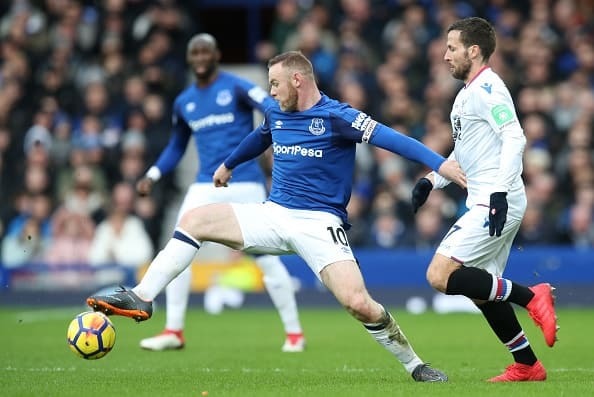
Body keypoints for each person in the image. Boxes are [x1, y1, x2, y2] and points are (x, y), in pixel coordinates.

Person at [87, 50, 467, 382]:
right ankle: (142, 296)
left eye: (275, 84)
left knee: (358, 303)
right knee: (193, 219)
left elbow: (394, 139)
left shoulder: (337, 116)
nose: (270, 92)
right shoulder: (276, 113)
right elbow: (261, 136)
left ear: (297, 80)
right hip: (273, 214)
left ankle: (415, 364)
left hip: (320, 224)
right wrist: (228, 164)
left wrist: (440, 165)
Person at [133, 34, 306, 353]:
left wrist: (289, 117)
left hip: (244, 182)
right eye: (194, 52)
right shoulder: (184, 101)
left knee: (265, 259)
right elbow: (176, 146)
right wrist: (153, 174)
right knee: (177, 249)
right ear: (189, 58)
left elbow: (267, 103)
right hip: (204, 184)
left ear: (216, 55)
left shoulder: (236, 86)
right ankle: (173, 330)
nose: (199, 57)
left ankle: (294, 333)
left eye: (205, 51)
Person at [410, 17, 558, 383]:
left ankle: (531, 296)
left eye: (452, 48)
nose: (445, 56)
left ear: (473, 51)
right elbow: (467, 154)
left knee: (440, 274)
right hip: (487, 196)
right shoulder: (466, 94)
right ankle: (527, 364)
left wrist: (497, 194)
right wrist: (432, 181)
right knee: (482, 290)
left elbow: (514, 137)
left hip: (495, 198)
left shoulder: (489, 88)